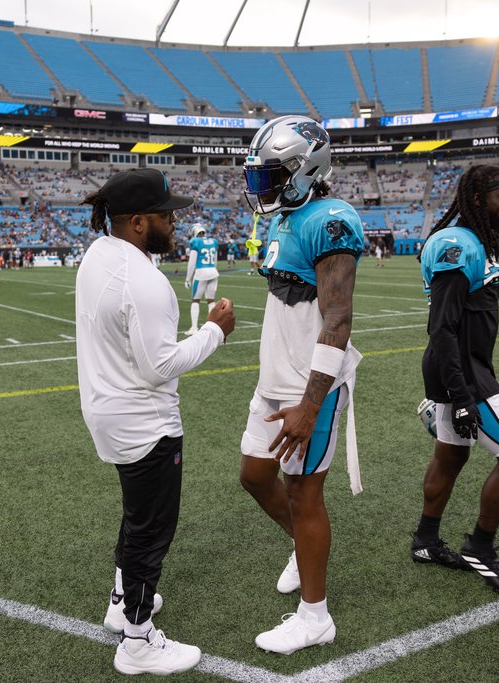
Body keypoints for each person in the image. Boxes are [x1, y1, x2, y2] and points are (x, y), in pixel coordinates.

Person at [77, 168, 235, 676]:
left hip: (109, 410)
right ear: (140, 221)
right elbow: (160, 366)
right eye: (168, 215)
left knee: (136, 515)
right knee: (152, 531)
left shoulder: (99, 253)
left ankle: (121, 600)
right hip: (144, 421)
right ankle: (138, 641)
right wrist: (214, 331)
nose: (176, 224)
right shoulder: (143, 279)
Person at [239, 115, 364, 655]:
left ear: (303, 169)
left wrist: (311, 405)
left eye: (269, 176)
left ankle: (315, 617)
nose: (260, 188)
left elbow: (336, 322)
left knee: (304, 492)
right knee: (254, 476)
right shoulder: (287, 218)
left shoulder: (331, 219)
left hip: (310, 385)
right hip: (274, 379)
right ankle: (301, 546)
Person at [411, 163, 499, 598]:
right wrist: (463, 396)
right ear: (479, 200)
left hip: (460, 367)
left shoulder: (474, 241)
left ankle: (426, 541)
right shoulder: (455, 243)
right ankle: (480, 547)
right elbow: (442, 328)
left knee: (451, 456)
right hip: (462, 371)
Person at [183, 223, 219, 336]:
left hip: (201, 272)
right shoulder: (213, 241)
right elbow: (215, 261)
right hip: (213, 271)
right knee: (211, 300)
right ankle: (212, 327)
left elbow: (192, 263)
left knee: (195, 300)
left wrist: (188, 278)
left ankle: (194, 327)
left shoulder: (195, 241)